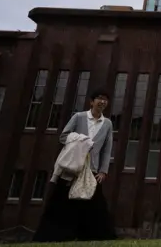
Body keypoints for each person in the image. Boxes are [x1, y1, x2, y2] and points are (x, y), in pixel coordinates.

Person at [32, 89, 117, 242]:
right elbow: (63, 136)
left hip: (91, 169)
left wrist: (103, 171)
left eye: (105, 99)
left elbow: (107, 149)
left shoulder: (107, 124)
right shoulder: (79, 117)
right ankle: (53, 236)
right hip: (72, 166)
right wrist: (81, 140)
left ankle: (95, 237)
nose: (103, 101)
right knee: (62, 201)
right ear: (91, 102)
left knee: (95, 205)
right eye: (99, 98)